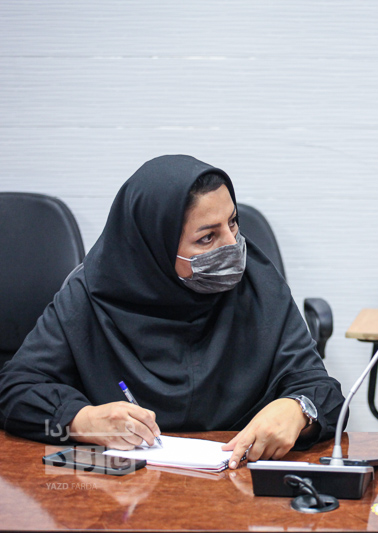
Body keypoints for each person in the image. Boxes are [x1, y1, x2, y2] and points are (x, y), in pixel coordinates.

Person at [0, 155, 344, 466]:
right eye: (207, 238)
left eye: (233, 223)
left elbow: (322, 391)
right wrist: (83, 420)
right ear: (155, 246)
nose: (233, 247)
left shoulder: (257, 283)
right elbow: (16, 389)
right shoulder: (91, 294)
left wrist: (299, 410)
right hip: (122, 489)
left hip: (240, 477)